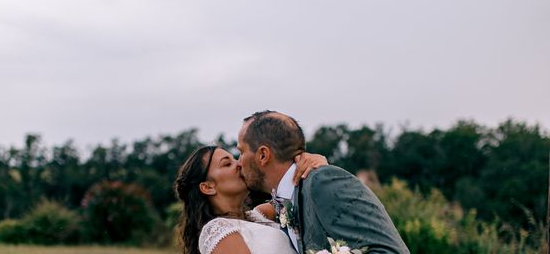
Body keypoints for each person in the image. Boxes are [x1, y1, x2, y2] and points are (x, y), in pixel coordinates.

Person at [237, 110, 410, 254]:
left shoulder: (322, 181)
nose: (238, 162)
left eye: (241, 152)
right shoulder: (285, 202)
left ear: (263, 155)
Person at [174, 145, 327, 254]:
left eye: (236, 158)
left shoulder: (261, 214)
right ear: (208, 187)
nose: (239, 164)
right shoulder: (218, 231)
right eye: (227, 164)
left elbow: (298, 193)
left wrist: (314, 162)